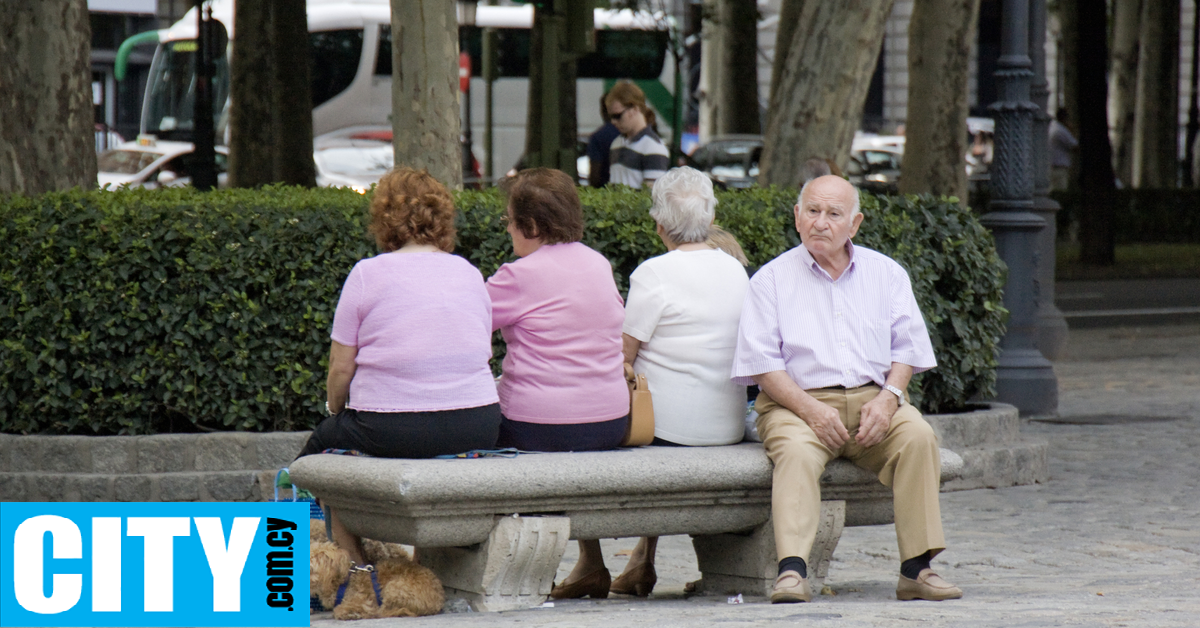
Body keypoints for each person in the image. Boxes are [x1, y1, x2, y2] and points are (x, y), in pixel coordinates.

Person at [732, 175, 961, 604]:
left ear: (853, 224)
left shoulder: (886, 273)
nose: (821, 222)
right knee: (797, 453)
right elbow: (764, 367)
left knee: (918, 438)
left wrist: (890, 398)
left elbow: (907, 349)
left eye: (834, 214)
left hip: (876, 399)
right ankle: (792, 572)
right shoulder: (771, 280)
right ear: (797, 218)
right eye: (812, 211)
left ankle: (916, 569)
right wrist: (812, 411)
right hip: (795, 405)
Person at [551, 167, 750, 600]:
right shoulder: (736, 272)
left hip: (666, 431)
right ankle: (642, 559)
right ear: (710, 215)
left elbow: (621, 357)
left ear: (660, 224)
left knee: (585, 422)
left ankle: (591, 562)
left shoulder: (654, 274)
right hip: (728, 425)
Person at [297, 167, 501, 566]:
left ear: (384, 218)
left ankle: (351, 560)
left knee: (315, 458)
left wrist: (336, 414)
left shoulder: (366, 274)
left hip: (390, 426)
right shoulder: (470, 272)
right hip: (476, 423)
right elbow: (480, 350)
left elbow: (340, 368)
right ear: (441, 218)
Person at [486, 168, 630, 452]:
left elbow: (461, 322)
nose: (507, 229)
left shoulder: (518, 275)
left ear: (532, 226)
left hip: (535, 425)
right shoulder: (599, 264)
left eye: (510, 220)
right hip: (612, 421)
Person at [605, 81, 670, 189]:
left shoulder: (653, 147)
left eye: (617, 116)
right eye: (611, 117)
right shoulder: (616, 144)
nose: (613, 121)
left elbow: (652, 196)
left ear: (635, 109)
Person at [587, 94, 622, 187]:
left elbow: (595, 174)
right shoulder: (631, 134)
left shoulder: (598, 136)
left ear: (603, 111)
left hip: (606, 191)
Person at [1049, 108, 1078, 191]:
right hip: (1060, 168)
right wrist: (1072, 131)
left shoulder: (1052, 127)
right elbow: (1075, 146)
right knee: (1061, 191)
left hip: (1051, 166)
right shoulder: (1062, 130)